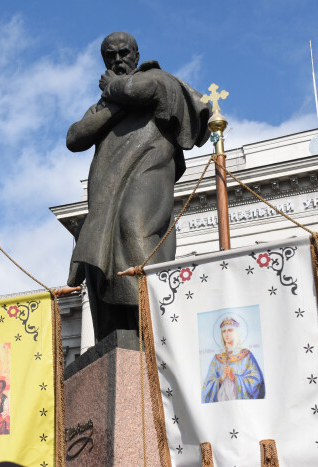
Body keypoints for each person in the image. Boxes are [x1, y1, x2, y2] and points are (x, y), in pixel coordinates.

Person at [66, 32, 211, 342]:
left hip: (147, 175)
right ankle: (124, 332)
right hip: (108, 192)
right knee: (100, 251)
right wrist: (115, 104)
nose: (118, 60)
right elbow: (75, 137)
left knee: (135, 231)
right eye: (110, 56)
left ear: (136, 54)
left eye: (123, 53)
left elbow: (143, 90)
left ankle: (154, 324)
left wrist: (112, 89)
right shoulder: (106, 103)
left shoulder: (155, 77)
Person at [202, 317, 265, 403]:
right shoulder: (217, 358)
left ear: (236, 332)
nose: (226, 334)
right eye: (224, 331)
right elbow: (206, 387)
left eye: (230, 330)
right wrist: (221, 379)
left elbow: (257, 381)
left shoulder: (246, 355)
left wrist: (234, 378)